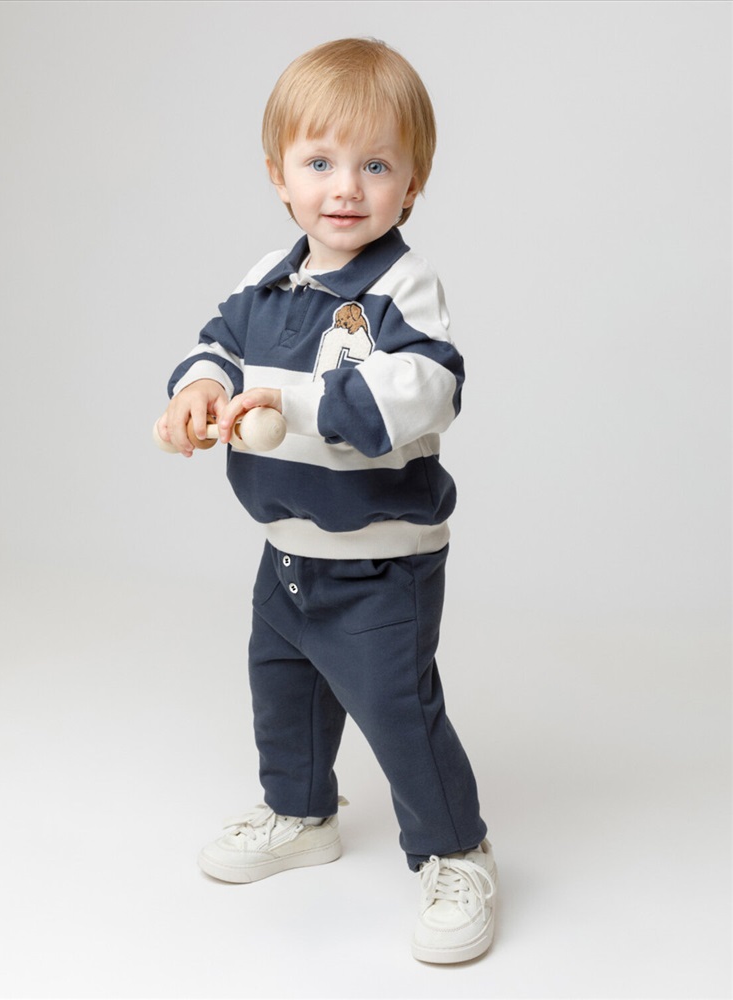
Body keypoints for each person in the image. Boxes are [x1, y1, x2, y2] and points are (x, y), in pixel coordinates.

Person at [157, 37, 497, 965]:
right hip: (287, 553)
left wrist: (294, 402)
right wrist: (199, 388)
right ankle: (301, 812)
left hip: (380, 560)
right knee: (284, 692)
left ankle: (456, 851)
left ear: (411, 185)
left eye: (375, 166)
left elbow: (427, 389)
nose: (345, 188)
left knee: (397, 710)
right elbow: (215, 345)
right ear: (280, 175)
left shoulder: (401, 288)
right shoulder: (264, 281)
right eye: (319, 163)